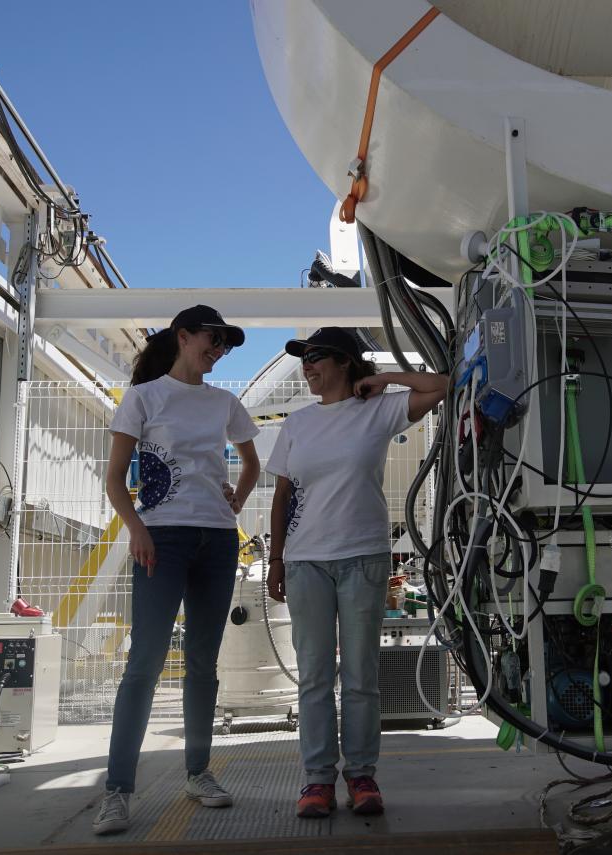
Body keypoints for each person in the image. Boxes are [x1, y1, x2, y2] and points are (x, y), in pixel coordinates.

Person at [265, 327, 448, 818]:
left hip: (364, 558)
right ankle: (318, 781)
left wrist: (384, 377)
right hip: (305, 563)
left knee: (362, 675)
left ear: (345, 363)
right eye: (303, 359)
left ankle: (362, 775)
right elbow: (282, 497)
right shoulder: (297, 424)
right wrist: (276, 558)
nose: (307, 367)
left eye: (316, 357)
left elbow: (445, 384)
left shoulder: (379, 409)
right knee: (315, 677)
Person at [92, 305, 260, 835]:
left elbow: (251, 463)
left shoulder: (224, 403)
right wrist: (137, 528)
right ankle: (117, 790)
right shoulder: (143, 398)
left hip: (216, 540)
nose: (218, 350)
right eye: (212, 340)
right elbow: (116, 478)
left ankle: (198, 772)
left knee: (203, 664)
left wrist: (235, 501)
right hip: (160, 540)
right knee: (143, 662)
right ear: (183, 337)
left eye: (225, 345)